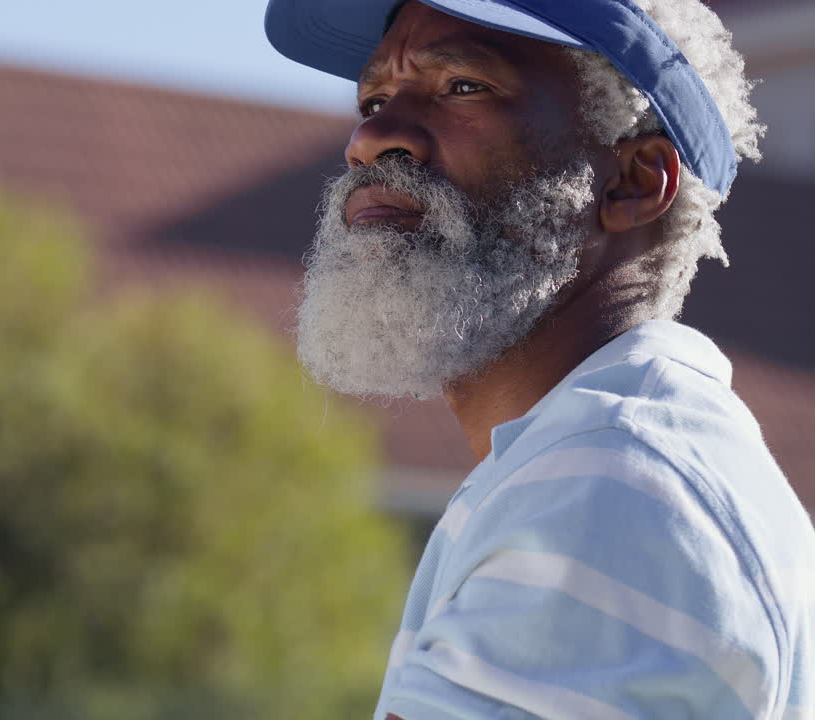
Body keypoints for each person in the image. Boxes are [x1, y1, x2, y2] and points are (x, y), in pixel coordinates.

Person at [266, 0, 814, 717]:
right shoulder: (589, 457)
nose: (371, 138)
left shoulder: (612, 483)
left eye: (463, 85)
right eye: (373, 100)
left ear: (635, 180)